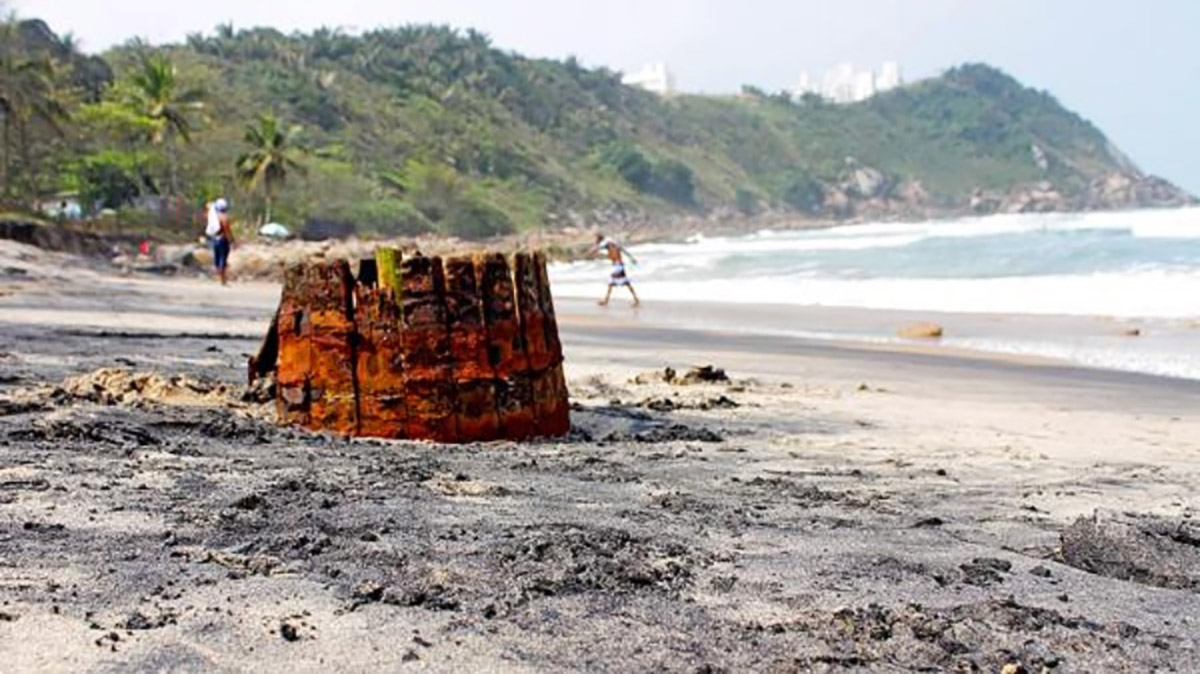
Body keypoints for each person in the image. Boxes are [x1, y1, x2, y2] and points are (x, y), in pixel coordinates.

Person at [593, 233, 640, 307]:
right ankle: (636, 299)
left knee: (613, 283)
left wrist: (632, 259)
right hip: (618, 265)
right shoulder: (612, 246)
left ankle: (606, 300)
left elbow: (598, 248)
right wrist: (632, 258)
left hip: (618, 266)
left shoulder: (609, 245)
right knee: (624, 283)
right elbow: (624, 251)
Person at [207, 198, 235, 286]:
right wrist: (231, 240)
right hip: (223, 240)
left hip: (215, 239)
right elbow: (227, 231)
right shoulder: (224, 218)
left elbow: (208, 206)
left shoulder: (214, 217)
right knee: (223, 259)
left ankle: (220, 278)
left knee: (217, 259)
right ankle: (223, 280)